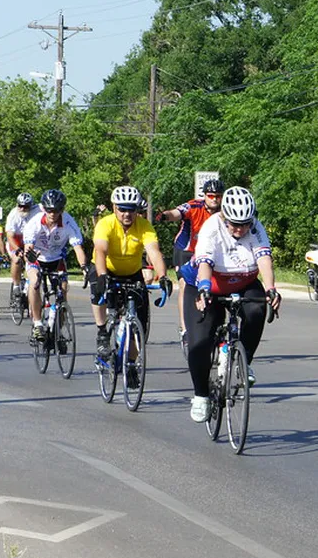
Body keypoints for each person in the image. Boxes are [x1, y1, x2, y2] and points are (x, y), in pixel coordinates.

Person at [185, 186, 281, 422]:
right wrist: (204, 288)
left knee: (257, 308)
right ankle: (201, 396)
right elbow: (205, 262)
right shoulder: (212, 227)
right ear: (224, 217)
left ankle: (243, 360)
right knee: (200, 342)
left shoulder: (255, 227)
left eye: (245, 224)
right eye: (234, 224)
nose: (240, 230)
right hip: (208, 282)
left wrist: (271, 288)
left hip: (243, 280)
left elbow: (264, 259)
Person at [89, 186, 172, 361]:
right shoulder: (105, 224)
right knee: (97, 289)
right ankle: (102, 332)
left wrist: (163, 276)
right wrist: (102, 275)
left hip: (132, 272)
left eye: (131, 210)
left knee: (139, 319)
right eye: (122, 209)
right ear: (114, 208)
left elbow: (154, 252)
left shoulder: (144, 226)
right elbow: (101, 251)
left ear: (137, 210)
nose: (127, 214)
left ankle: (132, 363)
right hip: (106, 267)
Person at [157, 178, 223, 347]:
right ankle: (185, 329)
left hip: (209, 253)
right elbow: (177, 213)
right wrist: (165, 216)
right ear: (204, 196)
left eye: (218, 196)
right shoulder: (194, 206)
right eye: (211, 196)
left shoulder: (225, 211)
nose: (214, 199)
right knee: (185, 285)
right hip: (187, 251)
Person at [21, 190, 91, 342]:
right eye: (49, 210)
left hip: (57, 259)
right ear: (44, 209)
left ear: (62, 209)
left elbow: (78, 248)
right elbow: (28, 248)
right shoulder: (34, 223)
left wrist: (84, 267)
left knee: (63, 290)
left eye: (57, 210)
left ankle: (58, 331)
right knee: (34, 282)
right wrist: (30, 256)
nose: (52, 214)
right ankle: (37, 323)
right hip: (37, 258)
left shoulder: (68, 222)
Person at [5, 193, 42, 299]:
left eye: (25, 206)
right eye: (20, 206)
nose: (22, 208)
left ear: (31, 205)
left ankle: (30, 283)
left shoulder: (38, 210)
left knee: (33, 260)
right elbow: (10, 237)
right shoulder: (13, 215)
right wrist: (17, 250)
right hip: (16, 241)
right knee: (17, 259)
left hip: (30, 241)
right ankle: (16, 285)